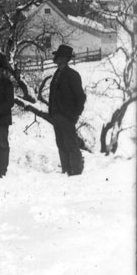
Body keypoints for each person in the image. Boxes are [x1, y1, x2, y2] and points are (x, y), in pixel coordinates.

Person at [48, 44, 86, 176]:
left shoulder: (73, 75)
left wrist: (75, 115)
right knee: (60, 143)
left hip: (67, 117)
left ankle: (75, 172)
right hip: (56, 116)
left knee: (70, 144)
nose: (55, 58)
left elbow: (80, 97)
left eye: (58, 56)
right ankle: (66, 170)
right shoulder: (57, 74)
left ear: (64, 58)